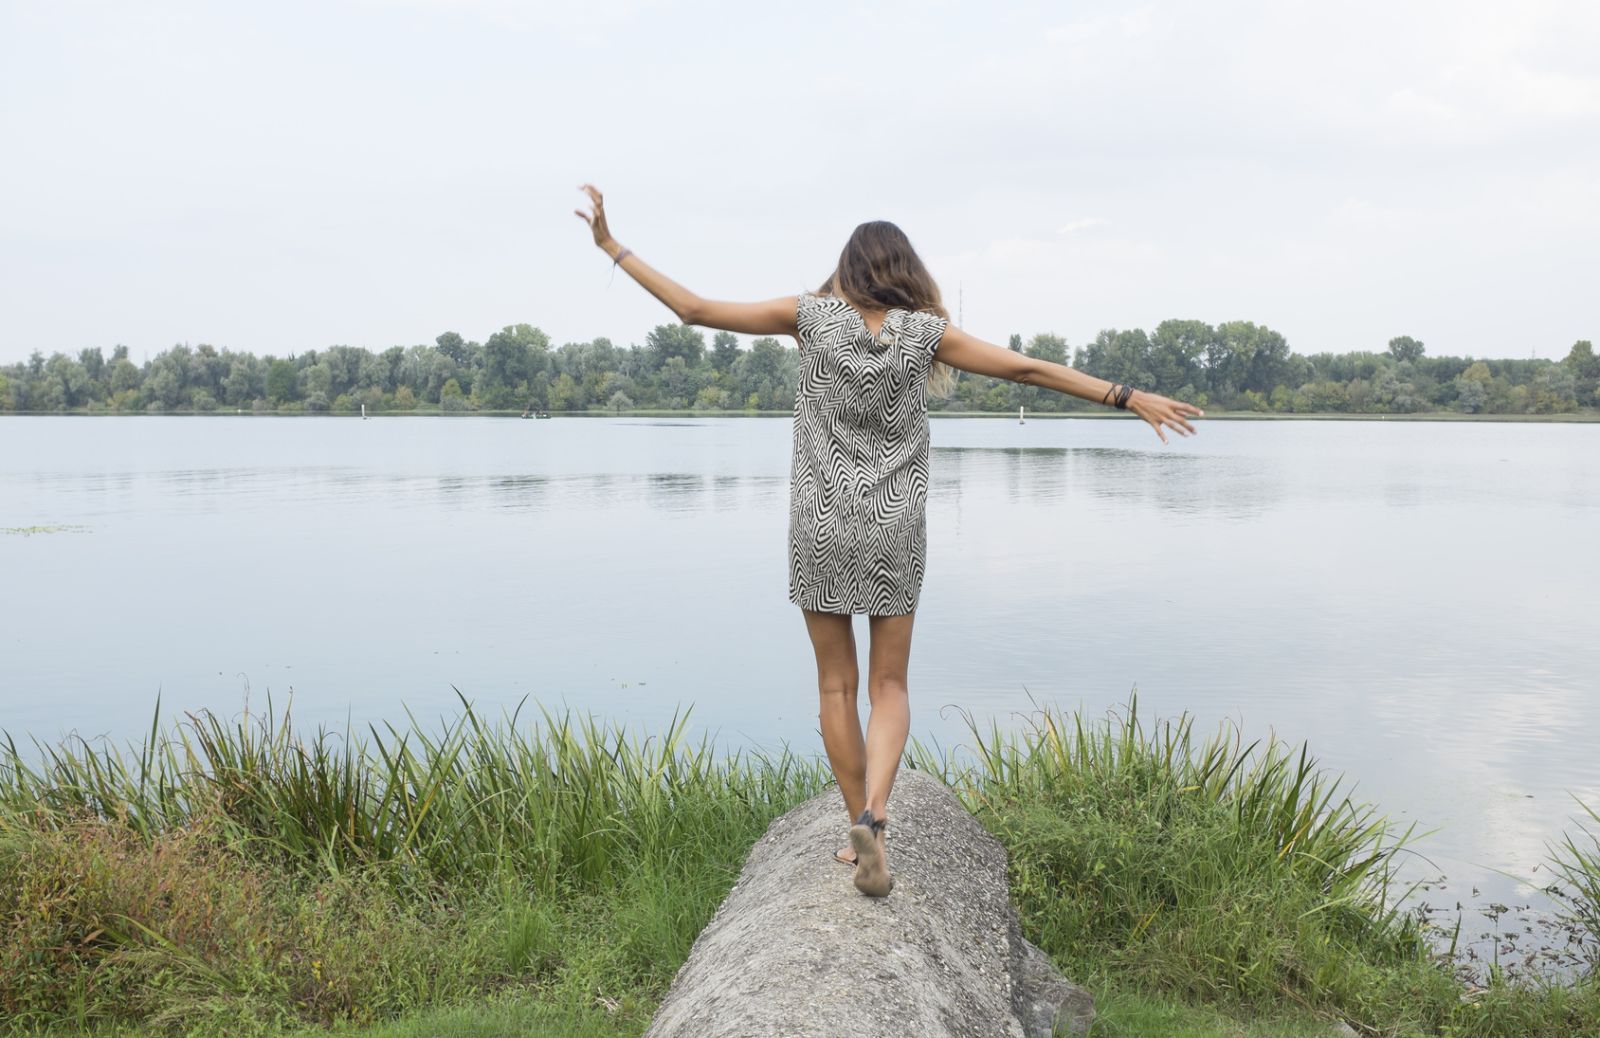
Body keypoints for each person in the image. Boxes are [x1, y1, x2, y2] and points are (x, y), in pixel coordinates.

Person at [574, 184, 1203, 897]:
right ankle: (876, 816)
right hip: (893, 524)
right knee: (890, 684)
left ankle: (856, 827)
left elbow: (693, 310)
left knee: (835, 686)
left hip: (820, 521)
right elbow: (1029, 369)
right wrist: (1125, 396)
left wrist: (611, 247)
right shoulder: (925, 334)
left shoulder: (807, 318)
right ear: (907, 272)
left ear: (845, 268)